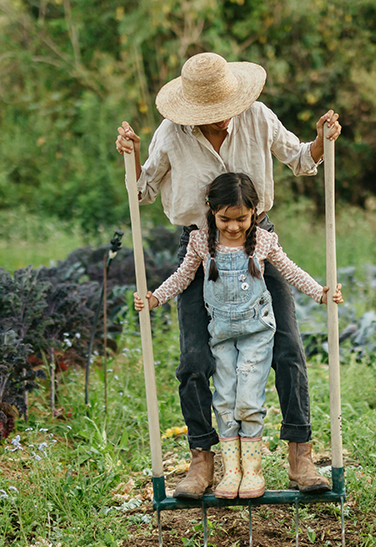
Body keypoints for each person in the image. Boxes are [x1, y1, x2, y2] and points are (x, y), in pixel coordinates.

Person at [115, 51, 342, 498]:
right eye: (210, 117)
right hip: (199, 251)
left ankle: (301, 456)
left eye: (225, 112)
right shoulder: (171, 134)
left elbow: (300, 158)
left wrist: (321, 140)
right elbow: (140, 190)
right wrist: (132, 156)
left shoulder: (256, 116)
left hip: (260, 244)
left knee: (289, 347)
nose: (222, 121)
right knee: (194, 360)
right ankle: (202, 461)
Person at [134, 173, 343, 498]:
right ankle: (230, 472)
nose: (232, 227)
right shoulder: (201, 242)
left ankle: (254, 472)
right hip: (221, 335)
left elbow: (288, 270)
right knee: (224, 401)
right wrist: (155, 298)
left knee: (248, 400)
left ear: (255, 213)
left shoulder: (261, 240)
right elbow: (183, 277)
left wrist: (320, 293)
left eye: (241, 219)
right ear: (210, 211)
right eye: (224, 219)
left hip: (255, 334)